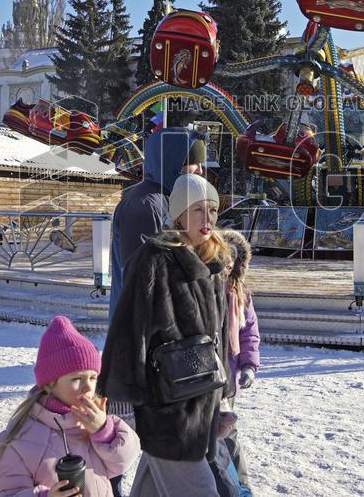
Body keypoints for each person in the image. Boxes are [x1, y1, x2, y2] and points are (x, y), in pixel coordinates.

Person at [99, 174, 236, 496]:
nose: (208, 219)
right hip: (166, 409)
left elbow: (216, 339)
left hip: (203, 404)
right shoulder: (154, 259)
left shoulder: (213, 262)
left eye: (213, 210)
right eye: (198, 210)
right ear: (179, 214)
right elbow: (128, 331)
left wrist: (223, 395)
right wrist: (122, 400)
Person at [0, 316, 141, 497]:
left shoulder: (96, 424)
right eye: (76, 379)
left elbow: (124, 461)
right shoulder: (20, 440)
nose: (88, 387)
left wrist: (104, 432)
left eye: (92, 377)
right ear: (49, 384)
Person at [109, 128, 206, 316]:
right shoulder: (143, 205)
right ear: (172, 162)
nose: (201, 170)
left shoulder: (169, 199)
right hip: (140, 330)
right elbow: (139, 279)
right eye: (194, 162)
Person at [217, 229, 260, 494]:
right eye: (224, 257)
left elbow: (249, 333)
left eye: (232, 258)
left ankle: (241, 487)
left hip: (228, 379)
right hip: (206, 375)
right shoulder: (201, 290)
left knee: (228, 436)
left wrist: (248, 365)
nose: (228, 263)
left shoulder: (239, 294)